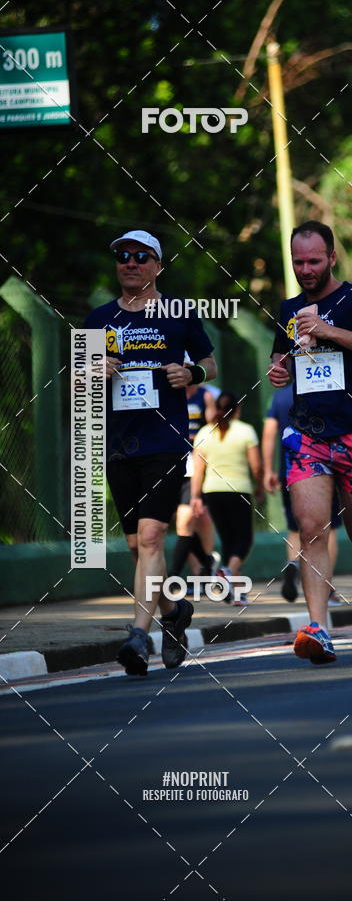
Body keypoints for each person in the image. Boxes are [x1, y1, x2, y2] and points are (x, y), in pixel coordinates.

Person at [85, 229, 217, 675]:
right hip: (119, 444)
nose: (131, 262)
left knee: (150, 539)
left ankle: (139, 637)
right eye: (123, 256)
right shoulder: (97, 320)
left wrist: (192, 372)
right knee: (135, 548)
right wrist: (93, 371)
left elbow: (211, 363)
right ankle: (173, 614)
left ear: (158, 266)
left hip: (166, 441)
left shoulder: (178, 313)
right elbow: (74, 383)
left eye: (141, 256)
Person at [268, 221, 352, 664]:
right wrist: (278, 371)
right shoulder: (287, 308)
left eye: (314, 261)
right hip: (307, 435)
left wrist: (328, 330)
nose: (306, 269)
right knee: (311, 530)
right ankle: (318, 628)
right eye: (298, 261)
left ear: (333, 257)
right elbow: (279, 359)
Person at [262, 382, 344, 605]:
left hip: (289, 470)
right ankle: (325, 587)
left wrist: (268, 470)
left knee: (295, 527)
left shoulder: (278, 398)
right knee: (329, 528)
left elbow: (269, 433)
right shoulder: (325, 390)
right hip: (324, 469)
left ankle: (293, 564)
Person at [190, 391, 263, 605]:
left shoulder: (204, 432)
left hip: (212, 491)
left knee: (229, 540)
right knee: (244, 539)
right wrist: (259, 487)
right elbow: (257, 466)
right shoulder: (246, 431)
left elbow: (198, 470)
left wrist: (195, 497)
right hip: (239, 490)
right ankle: (228, 572)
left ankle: (237, 592)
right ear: (237, 409)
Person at [169, 381, 221, 583]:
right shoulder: (169, 393)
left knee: (187, 519)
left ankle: (176, 576)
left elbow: (211, 427)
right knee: (183, 521)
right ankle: (206, 566)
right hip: (169, 461)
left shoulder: (205, 395)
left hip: (194, 463)